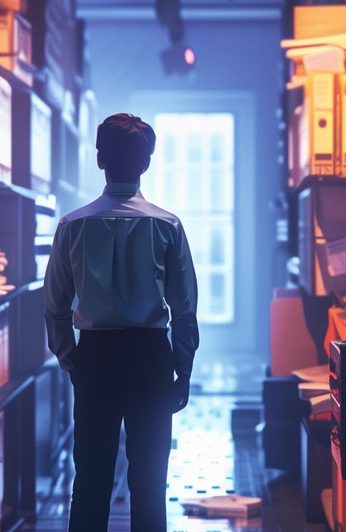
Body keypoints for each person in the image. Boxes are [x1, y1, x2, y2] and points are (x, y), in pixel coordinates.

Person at [43, 113, 199, 531]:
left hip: (95, 356)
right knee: (149, 482)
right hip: (150, 358)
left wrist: (72, 362)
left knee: (90, 480)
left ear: (99, 159)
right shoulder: (167, 225)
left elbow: (55, 306)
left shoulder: (72, 225)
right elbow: (184, 309)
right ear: (146, 163)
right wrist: (183, 369)